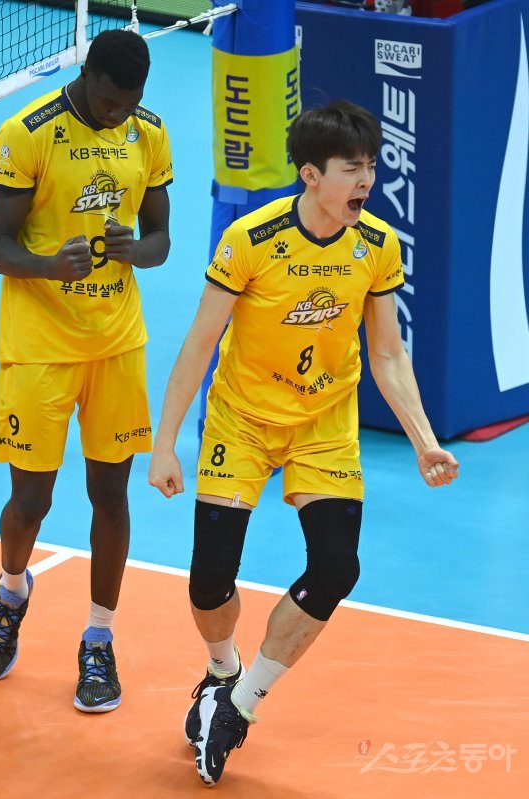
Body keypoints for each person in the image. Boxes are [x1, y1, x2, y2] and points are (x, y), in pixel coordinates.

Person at [148, 100, 458, 784]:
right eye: (351, 169)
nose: (365, 181)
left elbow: (387, 353)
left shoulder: (376, 245)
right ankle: (222, 670)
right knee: (209, 581)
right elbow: (201, 343)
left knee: (337, 567)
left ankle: (241, 704)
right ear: (311, 174)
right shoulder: (250, 240)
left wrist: (424, 441)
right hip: (242, 419)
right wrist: (164, 443)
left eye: (371, 166)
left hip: (323, 423)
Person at [0, 28, 172, 713]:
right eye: (111, 101)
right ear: (87, 75)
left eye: (130, 103)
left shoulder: (148, 132)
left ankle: (98, 638)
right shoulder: (26, 135)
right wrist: (48, 266)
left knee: (110, 496)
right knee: (31, 501)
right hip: (38, 345)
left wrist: (135, 250)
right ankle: (10, 590)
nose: (119, 114)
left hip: (116, 342)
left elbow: (160, 240)